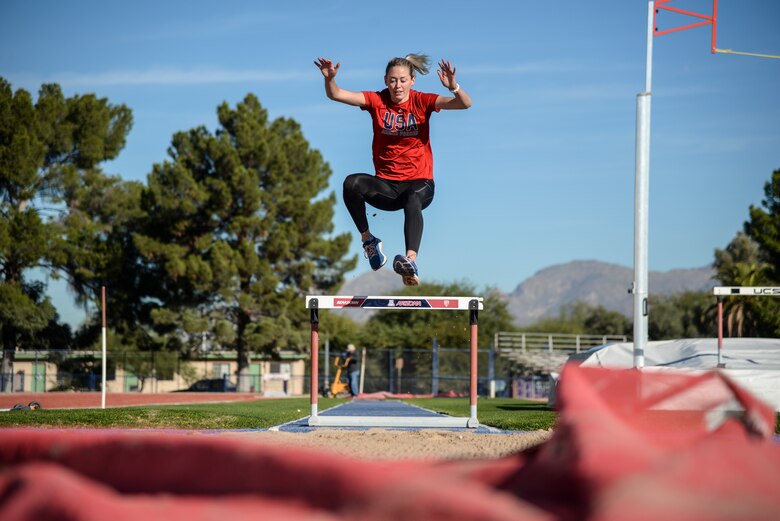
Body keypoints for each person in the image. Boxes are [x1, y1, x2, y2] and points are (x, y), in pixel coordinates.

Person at [314, 54, 472, 286]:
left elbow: (465, 104)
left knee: (412, 196)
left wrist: (454, 87)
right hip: (387, 187)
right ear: (386, 80)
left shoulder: (422, 101)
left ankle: (410, 261)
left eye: (402, 80)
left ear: (412, 81)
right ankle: (369, 242)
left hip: (420, 184)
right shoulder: (377, 100)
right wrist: (330, 80)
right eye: (393, 81)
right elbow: (336, 94)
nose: (397, 86)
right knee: (351, 183)